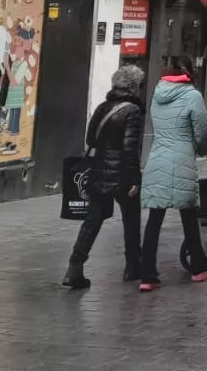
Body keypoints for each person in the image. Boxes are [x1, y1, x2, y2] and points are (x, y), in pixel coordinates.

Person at [137, 57, 207, 291]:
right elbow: (201, 131)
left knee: (155, 218)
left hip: (158, 158)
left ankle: (147, 275)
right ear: (189, 71)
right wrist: (203, 150)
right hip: (181, 159)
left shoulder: (158, 93)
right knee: (189, 213)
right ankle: (199, 267)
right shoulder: (192, 95)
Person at [63, 65, 146, 289]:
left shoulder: (102, 107)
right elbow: (130, 149)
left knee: (92, 221)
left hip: (99, 172)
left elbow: (91, 139)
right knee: (131, 220)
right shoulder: (132, 111)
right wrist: (134, 179)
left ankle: (74, 267)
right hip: (122, 176)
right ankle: (132, 266)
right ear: (133, 87)